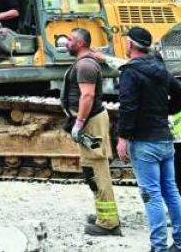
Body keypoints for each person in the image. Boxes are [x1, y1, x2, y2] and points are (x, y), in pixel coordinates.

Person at [115, 26, 181, 252]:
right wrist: (165, 111)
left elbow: (128, 107)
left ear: (130, 45)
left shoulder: (130, 72)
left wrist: (122, 137)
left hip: (144, 142)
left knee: (151, 195)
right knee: (171, 190)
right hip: (164, 139)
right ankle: (180, 243)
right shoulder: (159, 68)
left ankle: (158, 247)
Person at [61, 28, 122, 236]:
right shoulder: (85, 61)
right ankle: (103, 214)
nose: (65, 42)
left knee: (97, 169)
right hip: (89, 120)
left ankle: (108, 222)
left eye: (69, 39)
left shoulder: (85, 65)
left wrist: (78, 123)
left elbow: (87, 96)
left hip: (90, 122)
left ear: (79, 43)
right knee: (91, 168)